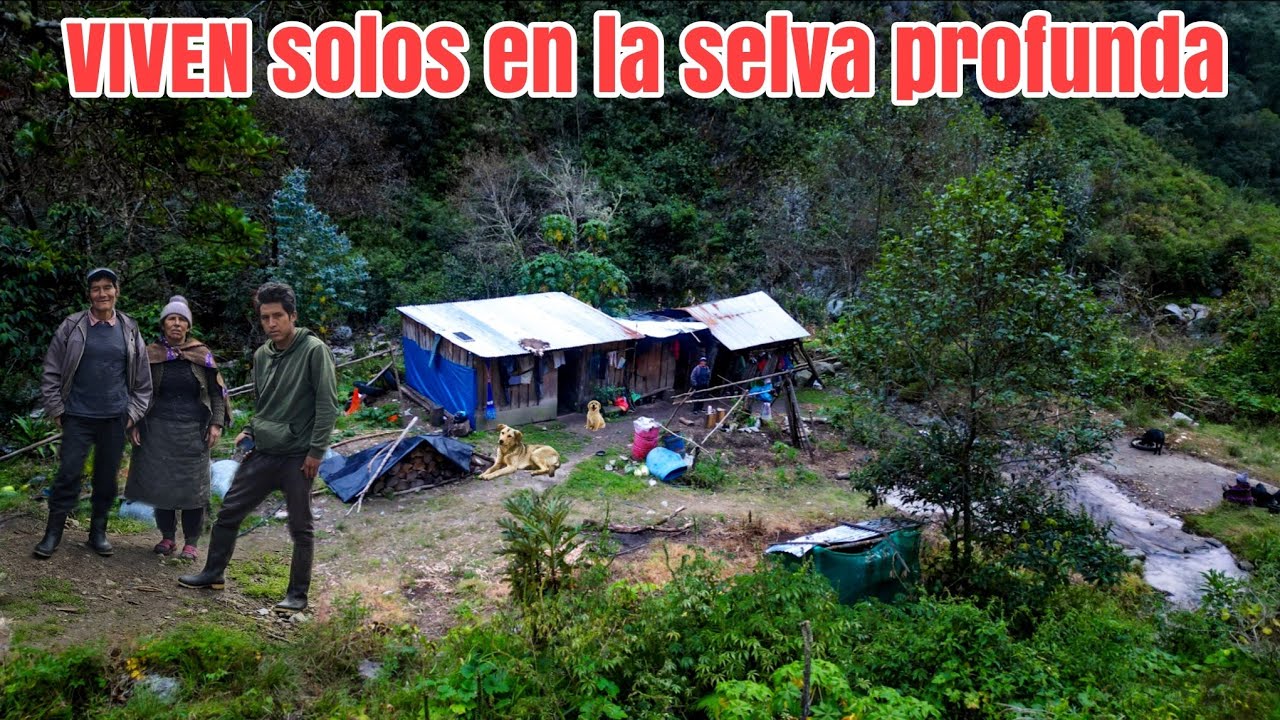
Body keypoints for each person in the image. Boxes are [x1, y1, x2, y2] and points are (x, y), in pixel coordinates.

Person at [178, 282, 338, 615]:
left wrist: (316, 452)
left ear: (292, 315)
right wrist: (250, 429)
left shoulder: (313, 350)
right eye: (265, 317)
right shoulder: (262, 355)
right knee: (229, 512)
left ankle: (296, 595)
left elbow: (327, 405)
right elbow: (262, 402)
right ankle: (213, 574)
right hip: (264, 451)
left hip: (298, 455)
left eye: (278, 316)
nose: (271, 323)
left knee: (300, 526)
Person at [36, 268, 152, 559]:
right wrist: (56, 409)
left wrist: (132, 413)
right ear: (89, 294)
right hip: (77, 414)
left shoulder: (129, 328)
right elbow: (52, 369)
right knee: (68, 473)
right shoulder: (72, 326)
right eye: (96, 288)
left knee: (106, 477)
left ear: (117, 291)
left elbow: (142, 378)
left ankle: (97, 533)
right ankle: (53, 534)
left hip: (115, 416)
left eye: (107, 287)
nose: (102, 293)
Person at [124, 296, 231, 561]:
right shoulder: (150, 355)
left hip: (194, 431)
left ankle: (191, 542)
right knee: (163, 488)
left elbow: (218, 393)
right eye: (172, 318)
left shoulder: (201, 355)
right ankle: (168, 538)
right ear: (163, 323)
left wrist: (216, 423)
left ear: (188, 326)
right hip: (158, 432)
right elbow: (137, 392)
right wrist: (135, 421)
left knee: (193, 490)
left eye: (182, 319)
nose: (177, 323)